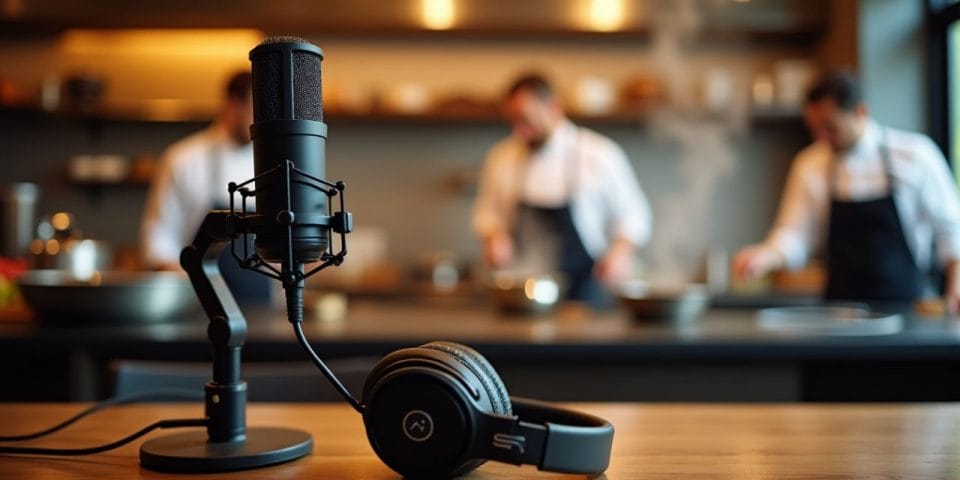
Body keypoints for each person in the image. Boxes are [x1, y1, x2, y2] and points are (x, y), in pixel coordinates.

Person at [733, 71, 960, 310]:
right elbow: (796, 234)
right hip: (838, 313)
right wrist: (765, 256)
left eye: (831, 128)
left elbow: (951, 228)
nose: (822, 137)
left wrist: (956, 282)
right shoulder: (810, 164)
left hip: (906, 308)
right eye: (815, 129)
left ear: (860, 112)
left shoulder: (915, 155)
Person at [472, 73, 652, 308]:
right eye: (513, 121)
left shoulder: (600, 154)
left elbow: (634, 215)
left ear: (554, 107)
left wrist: (620, 252)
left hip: (585, 290)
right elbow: (487, 212)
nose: (519, 131)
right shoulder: (502, 157)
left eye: (526, 120)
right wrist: (494, 237)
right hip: (522, 289)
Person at [140, 71, 272, 305]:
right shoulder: (182, 159)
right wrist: (191, 287)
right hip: (199, 305)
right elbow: (158, 241)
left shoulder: (272, 165)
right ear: (233, 105)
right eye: (257, 108)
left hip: (261, 306)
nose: (264, 119)